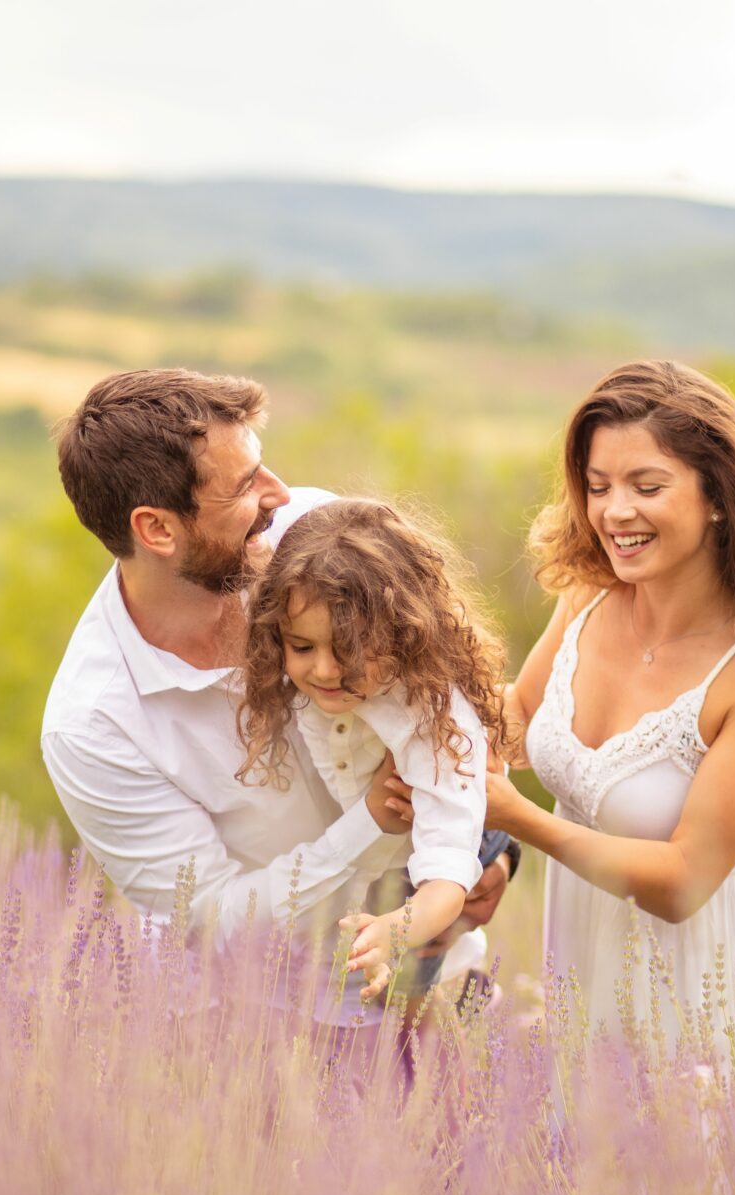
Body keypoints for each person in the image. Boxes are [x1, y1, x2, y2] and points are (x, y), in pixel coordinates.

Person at [40, 368, 513, 1029]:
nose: (280, 494)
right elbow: (216, 916)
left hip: (441, 976)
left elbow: (443, 683)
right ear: (157, 530)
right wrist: (372, 822)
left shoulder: (314, 536)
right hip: (261, 1024)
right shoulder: (94, 725)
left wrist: (486, 845)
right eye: (243, 487)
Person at [485, 359, 735, 1083]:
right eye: (597, 487)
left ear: (717, 496)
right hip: (586, 981)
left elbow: (684, 883)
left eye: (646, 486)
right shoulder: (589, 597)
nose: (613, 512)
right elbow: (520, 720)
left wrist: (515, 819)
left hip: (710, 1001)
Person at [233, 498, 509, 1000]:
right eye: (302, 647)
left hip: (445, 847)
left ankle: (462, 993)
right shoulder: (297, 653)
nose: (324, 671)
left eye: (349, 650)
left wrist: (396, 930)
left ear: (403, 631)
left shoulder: (431, 717)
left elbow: (448, 872)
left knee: (420, 995)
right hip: (385, 851)